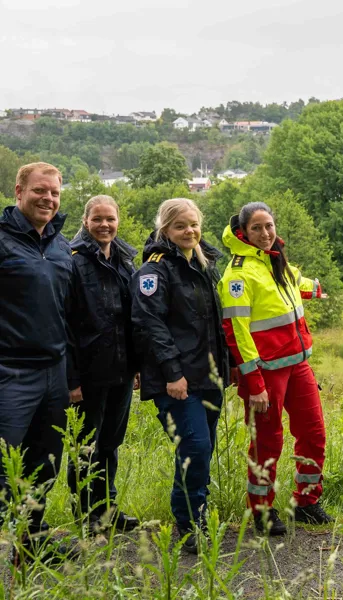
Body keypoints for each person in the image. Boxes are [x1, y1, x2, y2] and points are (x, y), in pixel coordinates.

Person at [218, 202, 333, 534]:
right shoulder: (238, 274)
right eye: (257, 228)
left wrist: (320, 290)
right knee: (267, 444)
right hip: (265, 373)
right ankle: (262, 510)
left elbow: (297, 284)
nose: (265, 233)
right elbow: (236, 331)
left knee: (313, 434)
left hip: (298, 365)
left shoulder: (275, 260)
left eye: (269, 226)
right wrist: (254, 383)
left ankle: (307, 503)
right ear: (243, 232)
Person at [131, 198, 230, 554]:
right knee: (196, 446)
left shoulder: (203, 264)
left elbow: (211, 325)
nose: (189, 231)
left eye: (193, 224)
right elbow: (150, 324)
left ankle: (196, 512)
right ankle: (189, 524)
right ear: (165, 230)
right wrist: (173, 373)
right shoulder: (155, 271)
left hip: (208, 376)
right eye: (180, 226)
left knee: (201, 449)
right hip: (176, 380)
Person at [0, 162, 77, 561]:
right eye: (39, 191)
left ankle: (30, 542)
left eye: (55, 193)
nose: (48, 198)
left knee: (44, 461)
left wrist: (72, 375)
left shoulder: (62, 247)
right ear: (18, 191)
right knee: (2, 464)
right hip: (9, 372)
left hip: (54, 372)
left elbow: (69, 314)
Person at [66, 195, 140, 533]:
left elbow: (134, 318)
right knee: (85, 447)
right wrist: (71, 378)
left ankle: (108, 509)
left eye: (110, 218)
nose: (105, 225)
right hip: (88, 372)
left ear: (118, 221)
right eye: (98, 219)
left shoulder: (126, 260)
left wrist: (137, 365)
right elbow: (64, 323)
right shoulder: (72, 261)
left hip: (122, 370)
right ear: (86, 221)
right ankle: (87, 514)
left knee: (110, 442)